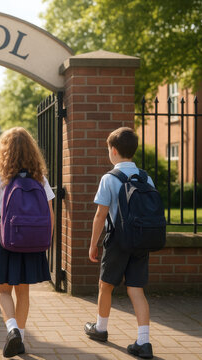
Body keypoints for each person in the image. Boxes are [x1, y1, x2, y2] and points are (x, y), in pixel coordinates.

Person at [0, 127, 55, 358]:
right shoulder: (41, 179)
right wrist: (46, 241)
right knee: (24, 292)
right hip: (33, 243)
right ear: (32, 151)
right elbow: (49, 213)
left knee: (3, 290)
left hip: (6, 240)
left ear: (4, 151)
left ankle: (12, 331)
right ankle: (19, 334)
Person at [84, 127, 155, 359]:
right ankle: (144, 342)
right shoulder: (146, 177)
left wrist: (94, 243)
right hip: (141, 240)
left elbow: (100, 215)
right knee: (136, 289)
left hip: (117, 241)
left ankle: (101, 328)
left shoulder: (109, 178)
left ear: (113, 151)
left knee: (106, 285)